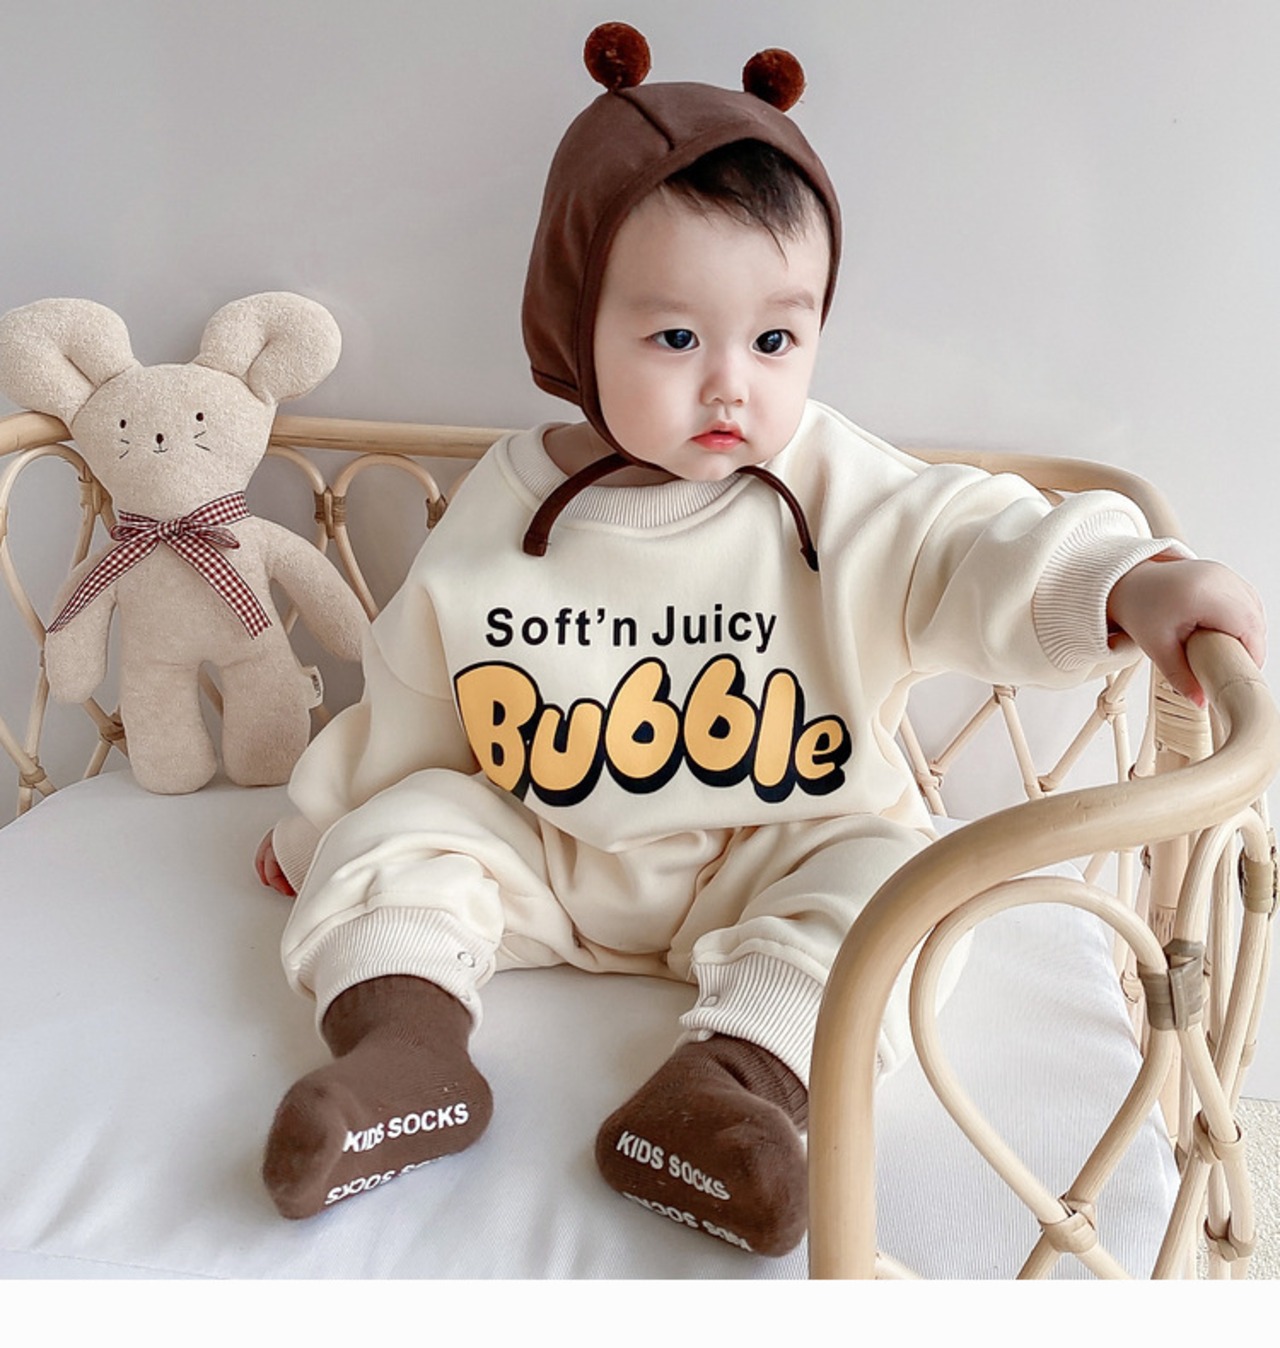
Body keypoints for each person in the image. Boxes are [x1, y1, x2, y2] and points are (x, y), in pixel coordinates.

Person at [256, 24, 1265, 1257]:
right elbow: (414, 694)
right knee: (402, 836)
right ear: (572, 326)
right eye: (676, 339)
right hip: (547, 845)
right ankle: (404, 1057)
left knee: (895, 889)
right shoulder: (505, 512)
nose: (731, 384)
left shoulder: (838, 487)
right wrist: (323, 832)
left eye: (774, 340)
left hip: (777, 843)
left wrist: (1125, 584)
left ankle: (726, 1093)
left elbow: (974, 541)